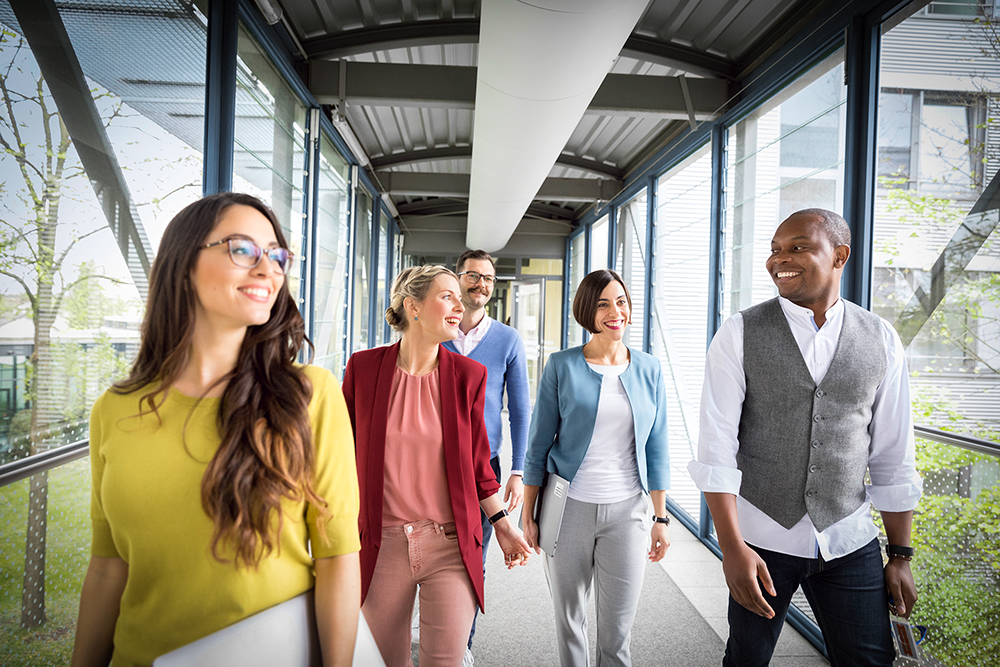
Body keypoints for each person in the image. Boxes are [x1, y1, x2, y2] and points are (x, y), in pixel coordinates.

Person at [71, 193, 361, 667]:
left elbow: (337, 557)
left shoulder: (310, 396)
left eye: (276, 255)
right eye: (243, 249)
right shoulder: (114, 410)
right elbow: (108, 568)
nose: (268, 269)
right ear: (184, 263)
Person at [689, 208, 923, 667]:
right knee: (746, 658)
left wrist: (900, 554)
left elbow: (894, 454)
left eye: (798, 247)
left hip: (848, 536)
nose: (780, 259)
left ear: (839, 255)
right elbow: (716, 447)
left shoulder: (881, 338)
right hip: (761, 536)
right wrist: (731, 547)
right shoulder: (740, 331)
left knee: (869, 660)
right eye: (775, 249)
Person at [342, 265, 533, 667]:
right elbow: (340, 454)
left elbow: (479, 463)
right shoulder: (363, 369)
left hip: (449, 543)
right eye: (447, 296)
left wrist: (503, 525)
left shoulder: (469, 376)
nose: (458, 304)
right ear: (413, 306)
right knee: (384, 661)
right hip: (382, 542)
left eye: (458, 299)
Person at [522, 269, 671, 667]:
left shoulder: (649, 369)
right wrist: (528, 514)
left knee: (617, 630)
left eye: (620, 301)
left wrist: (661, 517)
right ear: (587, 311)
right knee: (569, 619)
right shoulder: (561, 366)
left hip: (628, 512)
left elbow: (657, 447)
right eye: (603, 303)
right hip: (567, 507)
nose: (614, 311)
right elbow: (538, 446)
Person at [441, 249, 531, 663]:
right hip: (430, 460)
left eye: (489, 279)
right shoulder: (435, 330)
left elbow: (521, 407)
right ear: (457, 279)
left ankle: (462, 646)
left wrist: (517, 470)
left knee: (472, 557)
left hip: (484, 465)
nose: (481, 284)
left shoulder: (507, 340)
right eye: (473, 276)